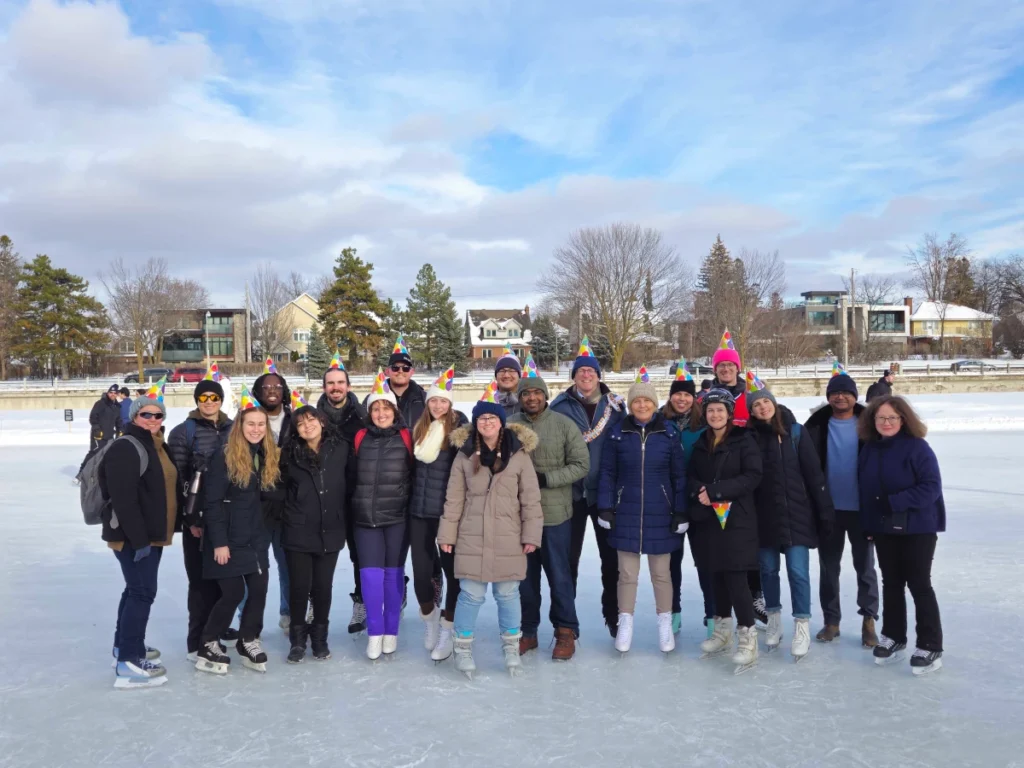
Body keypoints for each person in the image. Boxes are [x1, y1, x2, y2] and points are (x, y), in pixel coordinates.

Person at [438, 384, 544, 679]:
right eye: (482, 419)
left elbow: (531, 499)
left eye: (492, 418)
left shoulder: (519, 455)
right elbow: (454, 498)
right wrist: (447, 534)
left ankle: (511, 648)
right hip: (471, 534)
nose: (487, 423)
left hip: (509, 534)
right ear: (476, 423)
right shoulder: (464, 456)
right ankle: (462, 647)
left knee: (508, 593)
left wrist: (531, 535)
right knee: (470, 594)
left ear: (501, 422)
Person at [746, 377, 835, 660]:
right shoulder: (748, 437)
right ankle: (773, 621)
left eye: (765, 402)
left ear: (774, 403)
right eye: (756, 404)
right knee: (768, 571)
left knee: (798, 573)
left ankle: (802, 625)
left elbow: (814, 475)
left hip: (797, 514)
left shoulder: (795, 432)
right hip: (764, 518)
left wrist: (824, 513)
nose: (762, 407)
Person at [597, 375, 687, 654]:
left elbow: (679, 476)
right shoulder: (617, 433)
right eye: (637, 400)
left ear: (655, 404)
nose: (642, 405)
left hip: (661, 511)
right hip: (626, 511)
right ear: (631, 404)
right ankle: (625, 621)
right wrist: (606, 506)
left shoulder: (669, 433)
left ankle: (664, 621)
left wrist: (681, 510)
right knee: (626, 574)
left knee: (662, 574)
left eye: (647, 400)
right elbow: (608, 473)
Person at [858, 396, 945, 675]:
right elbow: (867, 492)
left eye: (892, 418)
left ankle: (930, 645)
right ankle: (894, 636)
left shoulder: (918, 448)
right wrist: (870, 524)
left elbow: (931, 487)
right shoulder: (870, 449)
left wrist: (896, 501)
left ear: (903, 420)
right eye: (881, 418)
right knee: (891, 583)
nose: (886, 423)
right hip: (884, 528)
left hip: (918, 526)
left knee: (919, 584)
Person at [195, 389, 281, 675]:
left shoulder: (266, 456)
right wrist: (219, 543)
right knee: (232, 593)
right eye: (250, 424)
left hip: (256, 538)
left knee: (258, 590)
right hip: (229, 539)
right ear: (239, 427)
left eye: (260, 424)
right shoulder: (226, 457)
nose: (256, 429)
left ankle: (248, 639)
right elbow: (213, 502)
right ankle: (208, 641)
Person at [100, 383, 176, 689]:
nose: (153, 419)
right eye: (146, 414)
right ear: (134, 415)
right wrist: (140, 541)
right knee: (142, 592)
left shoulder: (156, 444)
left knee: (135, 590)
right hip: (134, 537)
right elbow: (124, 499)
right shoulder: (126, 446)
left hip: (152, 534)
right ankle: (129, 661)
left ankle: (126, 645)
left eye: (158, 415)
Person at [509, 372, 589, 660]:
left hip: (555, 516)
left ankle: (566, 630)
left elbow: (582, 464)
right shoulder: (510, 426)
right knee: (525, 579)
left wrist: (548, 479)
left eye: (537, 393)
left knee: (560, 576)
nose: (532, 398)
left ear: (544, 396)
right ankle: (528, 631)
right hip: (519, 518)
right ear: (520, 397)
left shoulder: (563, 424)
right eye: (526, 393)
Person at [550, 337, 625, 637]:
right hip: (570, 494)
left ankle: (614, 615)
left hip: (606, 495)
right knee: (568, 562)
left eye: (590, 371)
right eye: (580, 371)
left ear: (598, 375)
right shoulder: (558, 406)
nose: (585, 375)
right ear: (574, 376)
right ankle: (566, 624)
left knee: (612, 559)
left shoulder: (616, 407)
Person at [687, 389, 763, 672]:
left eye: (720, 410)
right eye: (710, 411)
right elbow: (691, 476)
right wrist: (700, 492)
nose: (715, 415)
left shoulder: (744, 440)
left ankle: (748, 637)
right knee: (714, 574)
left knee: (735, 577)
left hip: (737, 519)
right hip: (707, 518)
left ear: (729, 413)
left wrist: (716, 491)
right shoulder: (700, 443)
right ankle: (722, 631)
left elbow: (753, 475)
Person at [804, 369, 880, 646]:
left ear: (854, 396)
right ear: (828, 397)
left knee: (866, 568)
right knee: (828, 568)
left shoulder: (871, 424)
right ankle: (831, 620)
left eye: (846, 392)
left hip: (863, 511)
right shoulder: (815, 426)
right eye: (835, 392)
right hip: (828, 511)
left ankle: (869, 620)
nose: (840, 396)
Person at [166, 372, 233, 661]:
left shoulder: (233, 428)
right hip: (197, 517)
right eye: (203, 398)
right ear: (196, 401)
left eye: (214, 397)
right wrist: (189, 521)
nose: (209, 402)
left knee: (224, 581)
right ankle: (196, 641)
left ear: (221, 400)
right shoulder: (184, 432)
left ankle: (215, 633)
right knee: (200, 581)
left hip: (226, 517)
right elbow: (178, 479)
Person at [351, 371, 414, 660]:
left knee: (393, 577)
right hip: (365, 519)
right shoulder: (360, 437)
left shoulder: (406, 437)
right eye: (375, 408)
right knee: (370, 578)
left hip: (397, 518)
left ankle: (392, 632)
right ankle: (375, 633)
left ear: (394, 411)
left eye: (385, 408)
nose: (380, 413)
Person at [281, 397, 348, 663]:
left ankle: (320, 639)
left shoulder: (340, 448)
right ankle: (297, 641)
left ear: (321, 420)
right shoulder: (288, 454)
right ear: (295, 429)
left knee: (323, 588)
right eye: (300, 423)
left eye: (311, 419)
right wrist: (292, 511)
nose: (307, 426)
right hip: (298, 531)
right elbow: (278, 490)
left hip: (330, 528)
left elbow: (350, 482)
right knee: (299, 587)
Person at [408, 367, 468, 662]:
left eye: (443, 401)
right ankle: (430, 618)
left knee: (453, 575)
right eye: (434, 401)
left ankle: (448, 627)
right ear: (427, 403)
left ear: (450, 403)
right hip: (419, 513)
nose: (438, 406)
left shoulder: (459, 431)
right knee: (421, 574)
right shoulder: (417, 429)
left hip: (447, 514)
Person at [661, 364, 715, 638]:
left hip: (699, 503)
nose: (682, 399)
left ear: (694, 398)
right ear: (670, 397)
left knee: (706, 561)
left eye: (687, 395)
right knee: (671, 562)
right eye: (677, 394)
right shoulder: (660, 423)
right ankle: (674, 612)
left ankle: (713, 615)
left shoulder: (704, 425)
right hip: (668, 504)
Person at [315, 354, 368, 634]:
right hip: (325, 499)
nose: (335, 387)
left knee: (359, 555)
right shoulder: (314, 418)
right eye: (330, 383)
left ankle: (361, 603)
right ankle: (313, 605)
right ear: (324, 387)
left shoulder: (362, 416)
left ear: (348, 386)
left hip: (357, 497)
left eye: (340, 382)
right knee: (321, 554)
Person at [253, 360, 293, 631]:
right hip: (256, 506)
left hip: (288, 505)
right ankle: (250, 618)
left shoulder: (296, 418)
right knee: (255, 567)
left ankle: (288, 612)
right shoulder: (249, 420)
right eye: (266, 387)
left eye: (277, 386)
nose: (272, 390)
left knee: (287, 564)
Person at [366, 335, 427, 429]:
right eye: (395, 367)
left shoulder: (425, 399)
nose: (400, 371)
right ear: (387, 371)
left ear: (412, 372)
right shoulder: (372, 400)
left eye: (405, 368)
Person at [78, 384, 122, 480]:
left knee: (108, 455)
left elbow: (118, 420)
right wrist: (97, 429)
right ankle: (81, 474)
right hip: (98, 435)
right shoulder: (100, 404)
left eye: (115, 393)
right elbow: (93, 417)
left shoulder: (117, 407)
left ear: (117, 394)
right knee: (94, 454)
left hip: (110, 435)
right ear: (107, 393)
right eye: (111, 392)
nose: (112, 395)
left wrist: (120, 431)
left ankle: (101, 476)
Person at [493, 349, 523, 417]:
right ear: (496, 376)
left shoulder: (528, 403)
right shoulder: (486, 403)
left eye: (511, 370)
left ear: (519, 376)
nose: (506, 375)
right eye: (502, 371)